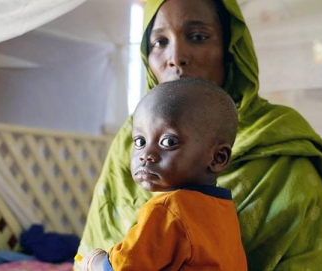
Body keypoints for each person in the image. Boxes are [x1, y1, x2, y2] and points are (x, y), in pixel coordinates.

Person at [78, 0, 322, 270]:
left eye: (197, 37)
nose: (176, 56)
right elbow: (100, 237)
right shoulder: (130, 138)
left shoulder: (282, 147)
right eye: (159, 42)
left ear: (230, 50)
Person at [74, 78, 247, 270]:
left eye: (169, 142)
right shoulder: (224, 210)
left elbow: (122, 268)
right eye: (140, 141)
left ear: (217, 158)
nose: (146, 155)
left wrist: (96, 260)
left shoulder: (167, 209)